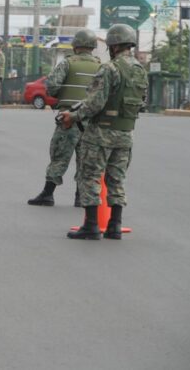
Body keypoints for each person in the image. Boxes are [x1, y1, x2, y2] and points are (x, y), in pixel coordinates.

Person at [57, 24, 148, 240]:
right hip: (126, 133)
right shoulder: (140, 70)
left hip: (101, 133)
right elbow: (141, 102)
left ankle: (91, 226)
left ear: (113, 45)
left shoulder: (110, 69)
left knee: (90, 176)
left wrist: (73, 116)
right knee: (117, 179)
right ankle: (115, 226)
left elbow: (95, 103)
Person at [28, 29, 101, 207]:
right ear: (93, 46)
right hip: (91, 120)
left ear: (76, 45)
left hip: (68, 118)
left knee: (60, 155)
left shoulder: (68, 63)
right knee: (86, 159)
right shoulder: (101, 66)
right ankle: (80, 196)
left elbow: (51, 86)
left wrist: (62, 95)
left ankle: (48, 194)